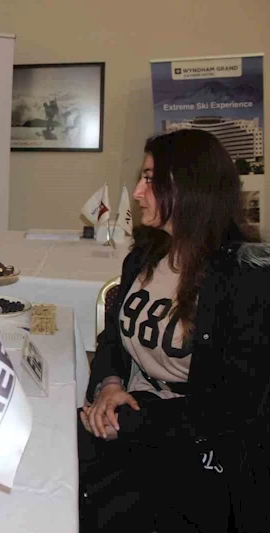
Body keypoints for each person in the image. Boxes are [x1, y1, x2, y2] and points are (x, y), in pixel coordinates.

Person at [79, 129, 270, 532]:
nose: (137, 192)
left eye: (150, 180)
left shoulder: (245, 279)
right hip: (133, 413)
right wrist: (110, 386)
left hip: (195, 446)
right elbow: (113, 338)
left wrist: (131, 419)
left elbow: (234, 404)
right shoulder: (143, 257)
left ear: (189, 188)